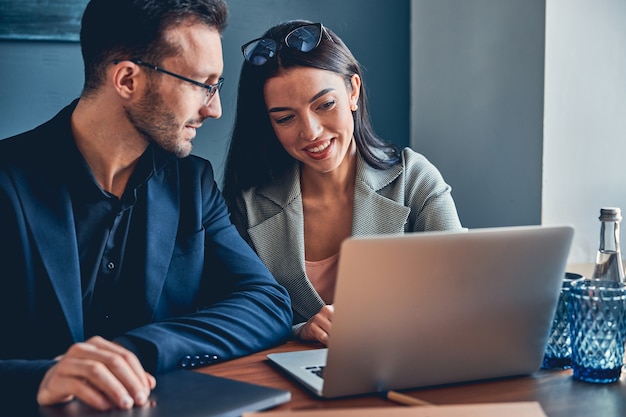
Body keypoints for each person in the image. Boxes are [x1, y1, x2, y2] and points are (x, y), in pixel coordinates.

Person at [0, 0, 293, 412]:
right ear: (127, 79)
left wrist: (138, 351)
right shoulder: (7, 182)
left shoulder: (194, 183)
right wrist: (42, 378)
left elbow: (266, 302)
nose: (215, 108)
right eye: (202, 84)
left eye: (217, 85)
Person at [223, 20, 464, 347]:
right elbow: (235, 314)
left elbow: (461, 294)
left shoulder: (414, 180)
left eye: (324, 105)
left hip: (403, 365)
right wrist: (300, 330)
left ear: (353, 91)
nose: (310, 132)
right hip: (293, 378)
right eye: (284, 118)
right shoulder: (248, 205)